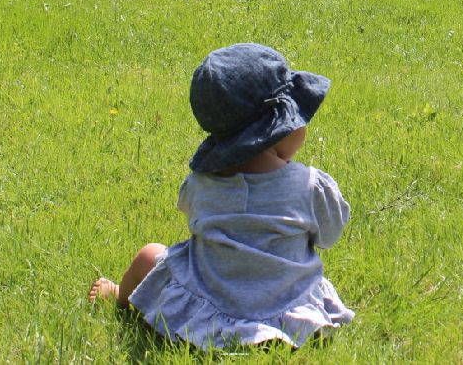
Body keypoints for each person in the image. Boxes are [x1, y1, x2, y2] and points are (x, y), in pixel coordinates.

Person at [88, 43, 354, 349]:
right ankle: (275, 330)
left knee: (151, 254)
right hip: (288, 303)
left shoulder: (200, 185)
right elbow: (329, 235)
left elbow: (192, 218)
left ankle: (122, 294)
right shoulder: (309, 187)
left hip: (213, 305)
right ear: (280, 129)